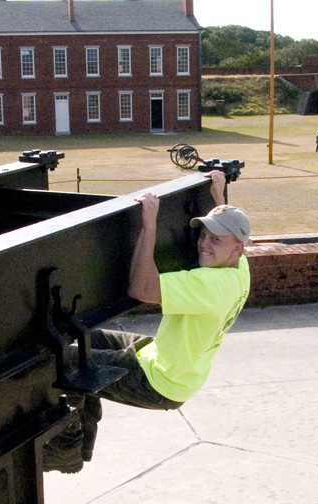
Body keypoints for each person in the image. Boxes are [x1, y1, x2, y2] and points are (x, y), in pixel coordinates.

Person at [44, 170, 252, 472]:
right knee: (90, 339)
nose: (204, 243)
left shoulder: (209, 285)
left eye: (215, 240)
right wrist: (218, 197)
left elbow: (140, 290)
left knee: (63, 363)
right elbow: (225, 232)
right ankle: (85, 434)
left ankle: (66, 450)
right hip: (170, 362)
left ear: (236, 248)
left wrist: (149, 224)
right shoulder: (240, 267)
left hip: (158, 382)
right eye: (204, 234)